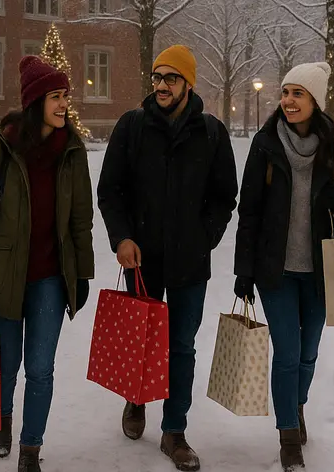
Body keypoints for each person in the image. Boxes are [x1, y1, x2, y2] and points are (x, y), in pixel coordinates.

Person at [97, 44, 238, 472]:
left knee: (181, 346)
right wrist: (121, 238)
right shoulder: (132, 127)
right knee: (141, 339)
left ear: (188, 84)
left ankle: (174, 431)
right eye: (157, 78)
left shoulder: (212, 133)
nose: (160, 85)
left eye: (170, 78)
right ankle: (136, 399)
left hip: (190, 263)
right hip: (140, 260)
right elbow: (110, 190)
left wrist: (205, 237)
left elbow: (224, 197)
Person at [0, 55, 96, 472]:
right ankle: (0, 420)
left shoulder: (71, 150)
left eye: (65, 97)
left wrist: (83, 273)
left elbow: (80, 219)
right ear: (36, 101)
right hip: (2, 275)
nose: (63, 105)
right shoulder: (1, 146)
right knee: (6, 364)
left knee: (40, 368)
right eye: (56, 97)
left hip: (50, 278)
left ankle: (31, 449)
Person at [233, 61, 334, 472]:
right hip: (277, 270)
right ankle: (288, 433)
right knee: (288, 352)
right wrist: (244, 269)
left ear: (315, 101)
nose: (288, 101)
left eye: (297, 94)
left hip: (323, 269)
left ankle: (297, 403)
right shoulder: (265, 144)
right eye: (286, 93)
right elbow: (249, 210)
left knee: (309, 353)